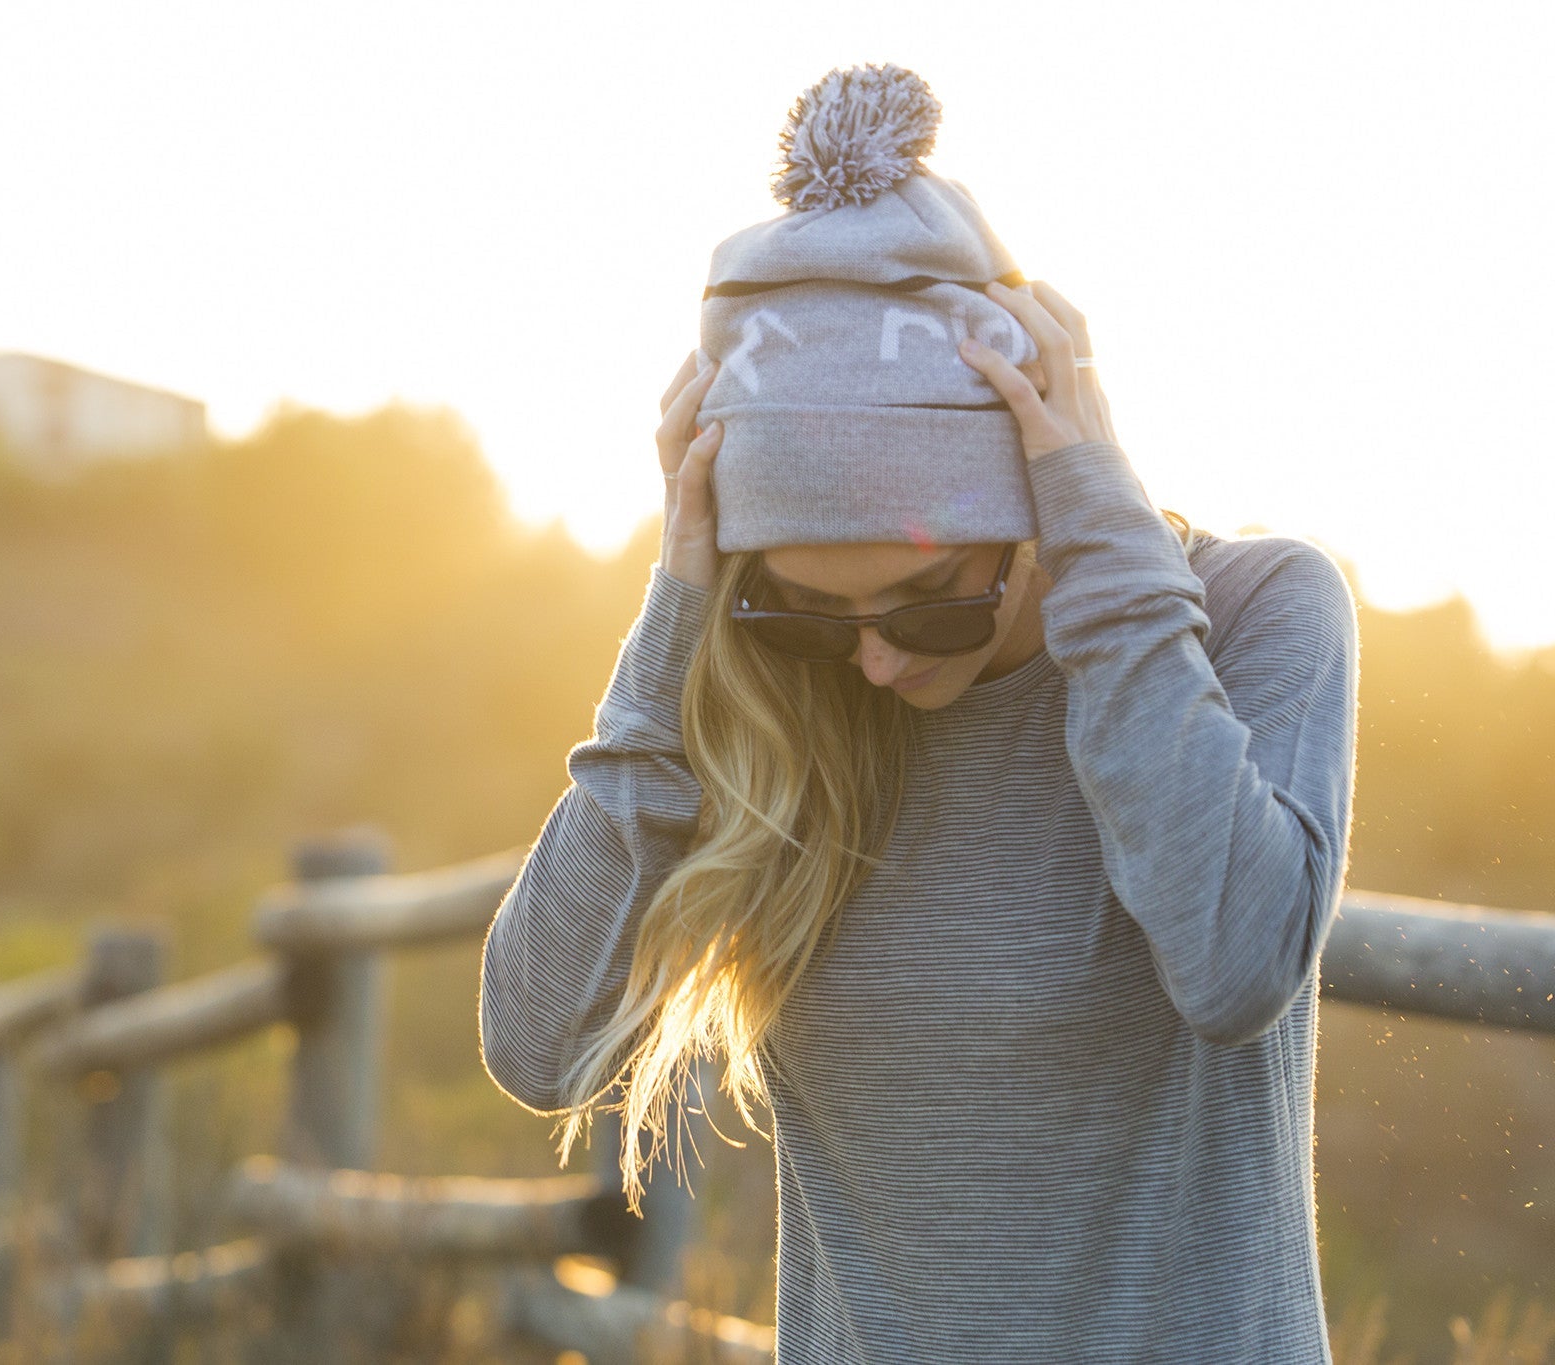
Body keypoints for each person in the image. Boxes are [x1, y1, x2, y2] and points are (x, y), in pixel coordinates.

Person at [477, 62, 1358, 1363]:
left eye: (932, 603)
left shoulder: (1247, 616)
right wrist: (685, 617)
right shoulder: (789, 688)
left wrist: (1105, 558)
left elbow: (1233, 963)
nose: (879, 664)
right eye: (817, 608)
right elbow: (537, 1044)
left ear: (1039, 484)